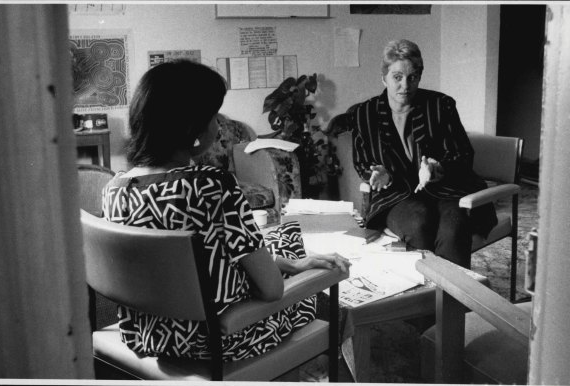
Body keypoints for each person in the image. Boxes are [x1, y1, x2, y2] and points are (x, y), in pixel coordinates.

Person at [101, 60, 350, 362]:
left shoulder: (114, 190)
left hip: (149, 336)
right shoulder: (211, 186)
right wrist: (296, 271)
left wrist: (289, 264)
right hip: (220, 340)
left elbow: (192, 265)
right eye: (213, 115)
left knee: (284, 242)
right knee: (328, 302)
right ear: (192, 126)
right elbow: (271, 291)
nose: (218, 125)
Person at [349, 39, 497, 268]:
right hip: (397, 194)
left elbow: (463, 155)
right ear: (384, 78)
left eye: (412, 77)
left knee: (453, 229)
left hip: (448, 189)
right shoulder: (364, 114)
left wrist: (437, 168)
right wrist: (379, 173)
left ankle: (453, 297)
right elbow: (363, 161)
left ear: (419, 76)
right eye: (397, 77)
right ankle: (424, 292)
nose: (405, 86)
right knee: (418, 223)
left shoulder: (440, 105)